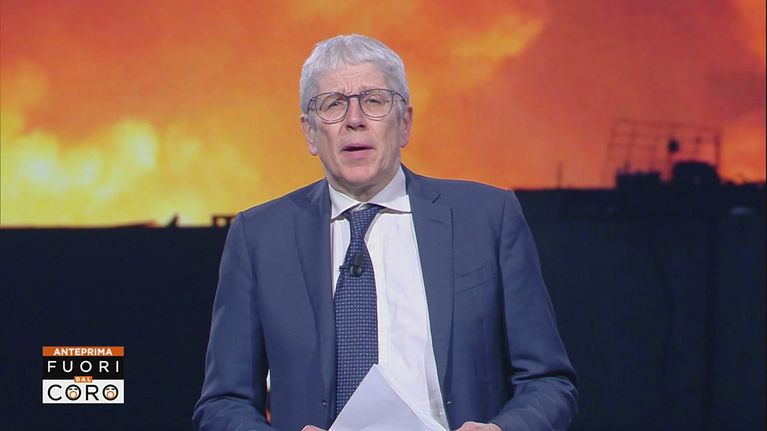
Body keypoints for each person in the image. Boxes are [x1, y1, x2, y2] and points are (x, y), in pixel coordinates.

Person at [193, 34, 577, 431]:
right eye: (333, 104)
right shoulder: (259, 238)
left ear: (404, 122)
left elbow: (548, 382)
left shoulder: (486, 218)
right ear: (309, 132)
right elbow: (223, 404)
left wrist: (500, 430)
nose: (354, 119)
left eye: (373, 101)